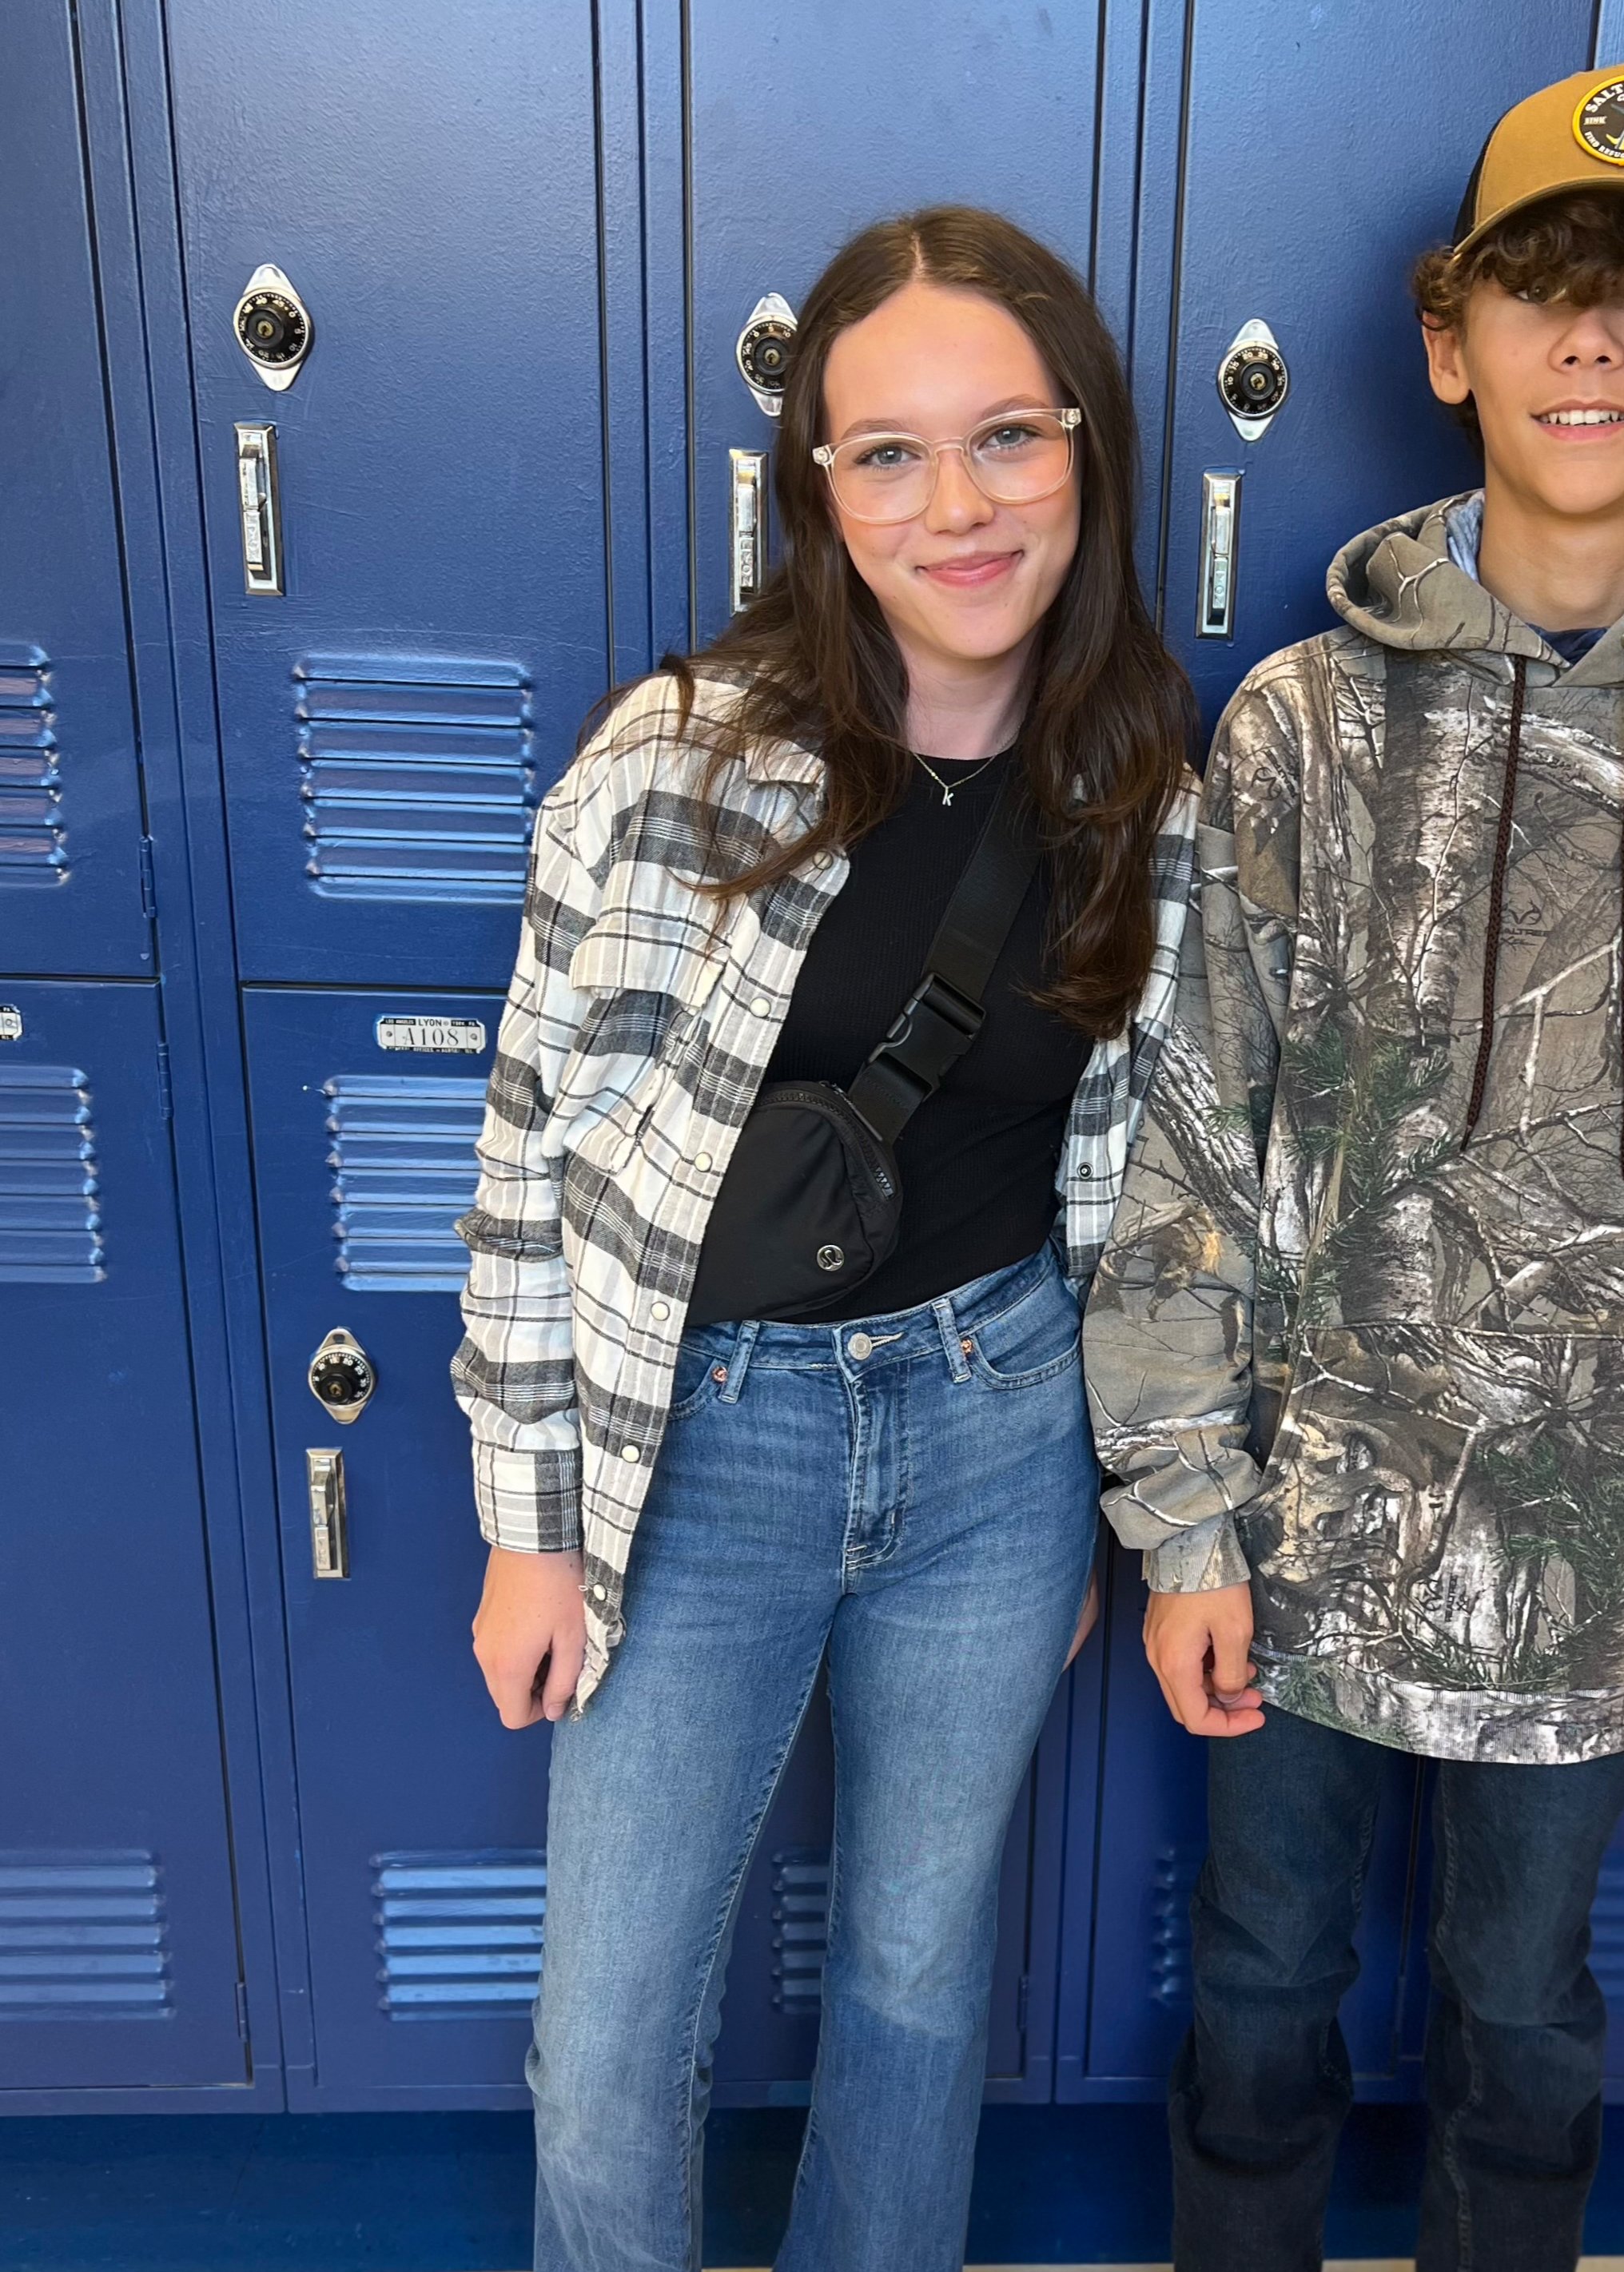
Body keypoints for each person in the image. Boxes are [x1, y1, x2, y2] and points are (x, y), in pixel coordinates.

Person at [1082, 64, 1624, 2272]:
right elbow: (1186, 1120)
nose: (1588, 345)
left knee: (1522, 2013)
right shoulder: (1297, 728)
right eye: (1539, 290)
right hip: (1301, 1526)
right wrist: (1179, 1512)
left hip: (1598, 1560)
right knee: (1259, 1987)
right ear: (1448, 342)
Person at [453, 205, 1198, 2272]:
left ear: (1090, 456)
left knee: (912, 1988)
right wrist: (534, 1513)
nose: (955, 505)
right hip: (707, 1439)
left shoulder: (1149, 788)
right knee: (606, 2048)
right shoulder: (677, 762)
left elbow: (1157, 1191)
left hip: (1002, 1430)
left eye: (1009, 440)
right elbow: (533, 1152)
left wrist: (1109, 1505)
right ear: (816, 490)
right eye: (887, 452)